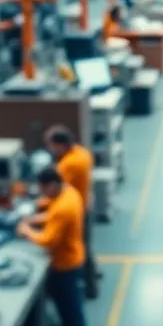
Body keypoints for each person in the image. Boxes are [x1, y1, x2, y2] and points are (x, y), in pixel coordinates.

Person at [18, 167, 88, 326]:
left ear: (52, 185)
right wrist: (34, 220)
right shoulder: (69, 193)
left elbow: (48, 240)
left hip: (65, 266)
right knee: (68, 312)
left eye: (43, 189)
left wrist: (27, 231)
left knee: (71, 313)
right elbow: (53, 215)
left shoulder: (63, 208)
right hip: (72, 258)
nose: (42, 194)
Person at [45, 125, 98, 299]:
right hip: (86, 204)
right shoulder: (83, 153)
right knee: (86, 247)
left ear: (61, 145)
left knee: (80, 248)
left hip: (77, 211)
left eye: (51, 145)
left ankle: (91, 288)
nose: (50, 149)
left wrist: (40, 202)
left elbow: (56, 190)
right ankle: (93, 275)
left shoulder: (67, 164)